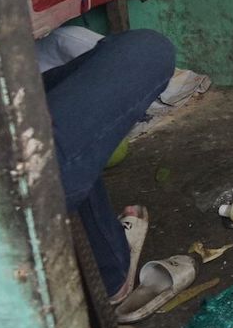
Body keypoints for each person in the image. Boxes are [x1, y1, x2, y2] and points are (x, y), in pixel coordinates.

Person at [42, 29, 175, 301]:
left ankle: (107, 269)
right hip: (12, 182)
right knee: (148, 50)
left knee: (57, 104)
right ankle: (107, 273)